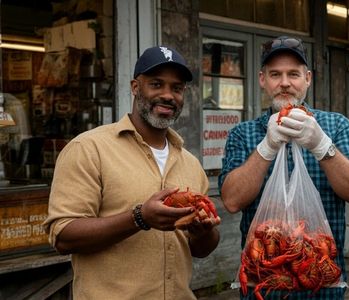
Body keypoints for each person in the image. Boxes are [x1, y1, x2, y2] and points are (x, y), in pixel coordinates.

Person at [43, 46, 220, 299]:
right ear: (136, 87)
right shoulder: (89, 149)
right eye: (156, 84)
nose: (168, 95)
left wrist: (205, 233)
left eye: (177, 88)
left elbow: (201, 250)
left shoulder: (190, 163)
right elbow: (63, 237)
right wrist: (139, 218)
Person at [219, 36, 349, 299]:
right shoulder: (243, 134)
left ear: (308, 79)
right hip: (264, 287)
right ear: (262, 79)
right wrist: (266, 147)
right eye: (275, 74)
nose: (285, 83)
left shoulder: (336, 126)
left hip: (322, 286)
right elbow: (232, 201)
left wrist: (322, 145)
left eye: (293, 74)